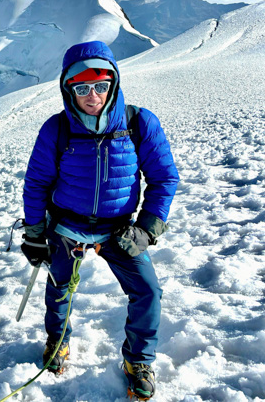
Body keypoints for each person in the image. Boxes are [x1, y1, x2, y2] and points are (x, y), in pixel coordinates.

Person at [21, 40, 179, 400]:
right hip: (67, 225)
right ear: (68, 89)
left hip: (120, 229)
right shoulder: (56, 130)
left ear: (114, 84)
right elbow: (37, 184)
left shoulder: (140, 124)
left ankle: (138, 361)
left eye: (101, 86)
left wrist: (147, 229)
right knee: (59, 287)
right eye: (82, 87)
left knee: (147, 290)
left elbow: (164, 178)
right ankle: (58, 341)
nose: (92, 96)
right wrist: (34, 233)